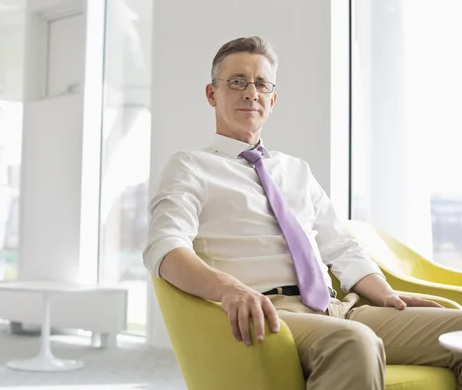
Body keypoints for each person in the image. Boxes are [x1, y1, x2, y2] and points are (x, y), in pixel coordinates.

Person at [143, 36, 462, 390]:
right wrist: (230, 289)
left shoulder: (296, 170)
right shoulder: (190, 166)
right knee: (355, 342)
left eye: (261, 84)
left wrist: (385, 293)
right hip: (271, 312)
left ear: (272, 99)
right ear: (211, 94)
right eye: (237, 82)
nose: (250, 92)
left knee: (458, 328)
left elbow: (340, 246)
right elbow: (165, 248)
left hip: (340, 308)